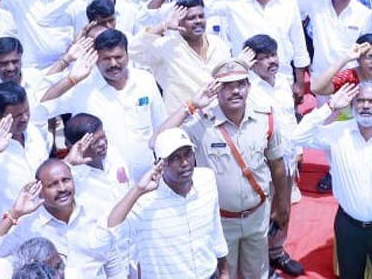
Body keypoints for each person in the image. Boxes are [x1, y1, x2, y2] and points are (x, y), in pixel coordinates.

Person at [153, 59, 294, 279]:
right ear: (216, 90)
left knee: (257, 274)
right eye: (226, 86)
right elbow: (157, 140)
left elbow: (277, 164)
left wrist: (282, 205)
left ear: (249, 86)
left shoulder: (265, 117)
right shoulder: (200, 123)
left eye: (240, 84)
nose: (235, 91)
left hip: (257, 215)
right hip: (219, 222)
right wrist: (191, 105)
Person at [294, 80, 372, 279]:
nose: (366, 106)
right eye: (360, 101)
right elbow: (297, 136)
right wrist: (330, 106)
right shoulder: (337, 133)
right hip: (348, 225)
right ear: (352, 106)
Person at [107, 127, 229, 279]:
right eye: (174, 158)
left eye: (188, 154)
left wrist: (224, 272)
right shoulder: (145, 200)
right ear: (159, 163)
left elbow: (215, 229)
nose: (184, 163)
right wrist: (138, 189)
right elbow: (111, 227)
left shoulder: (206, 179)